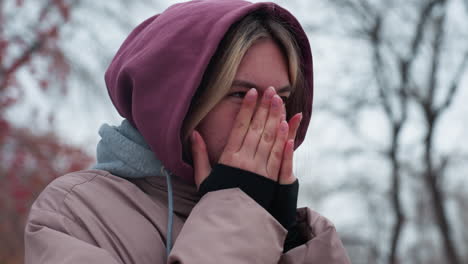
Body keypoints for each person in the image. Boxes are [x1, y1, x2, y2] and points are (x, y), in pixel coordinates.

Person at [24, 0, 351, 263]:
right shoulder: (76, 212)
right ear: (175, 104)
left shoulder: (310, 236)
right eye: (241, 95)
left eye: (280, 98)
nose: (268, 118)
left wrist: (286, 236)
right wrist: (237, 217)